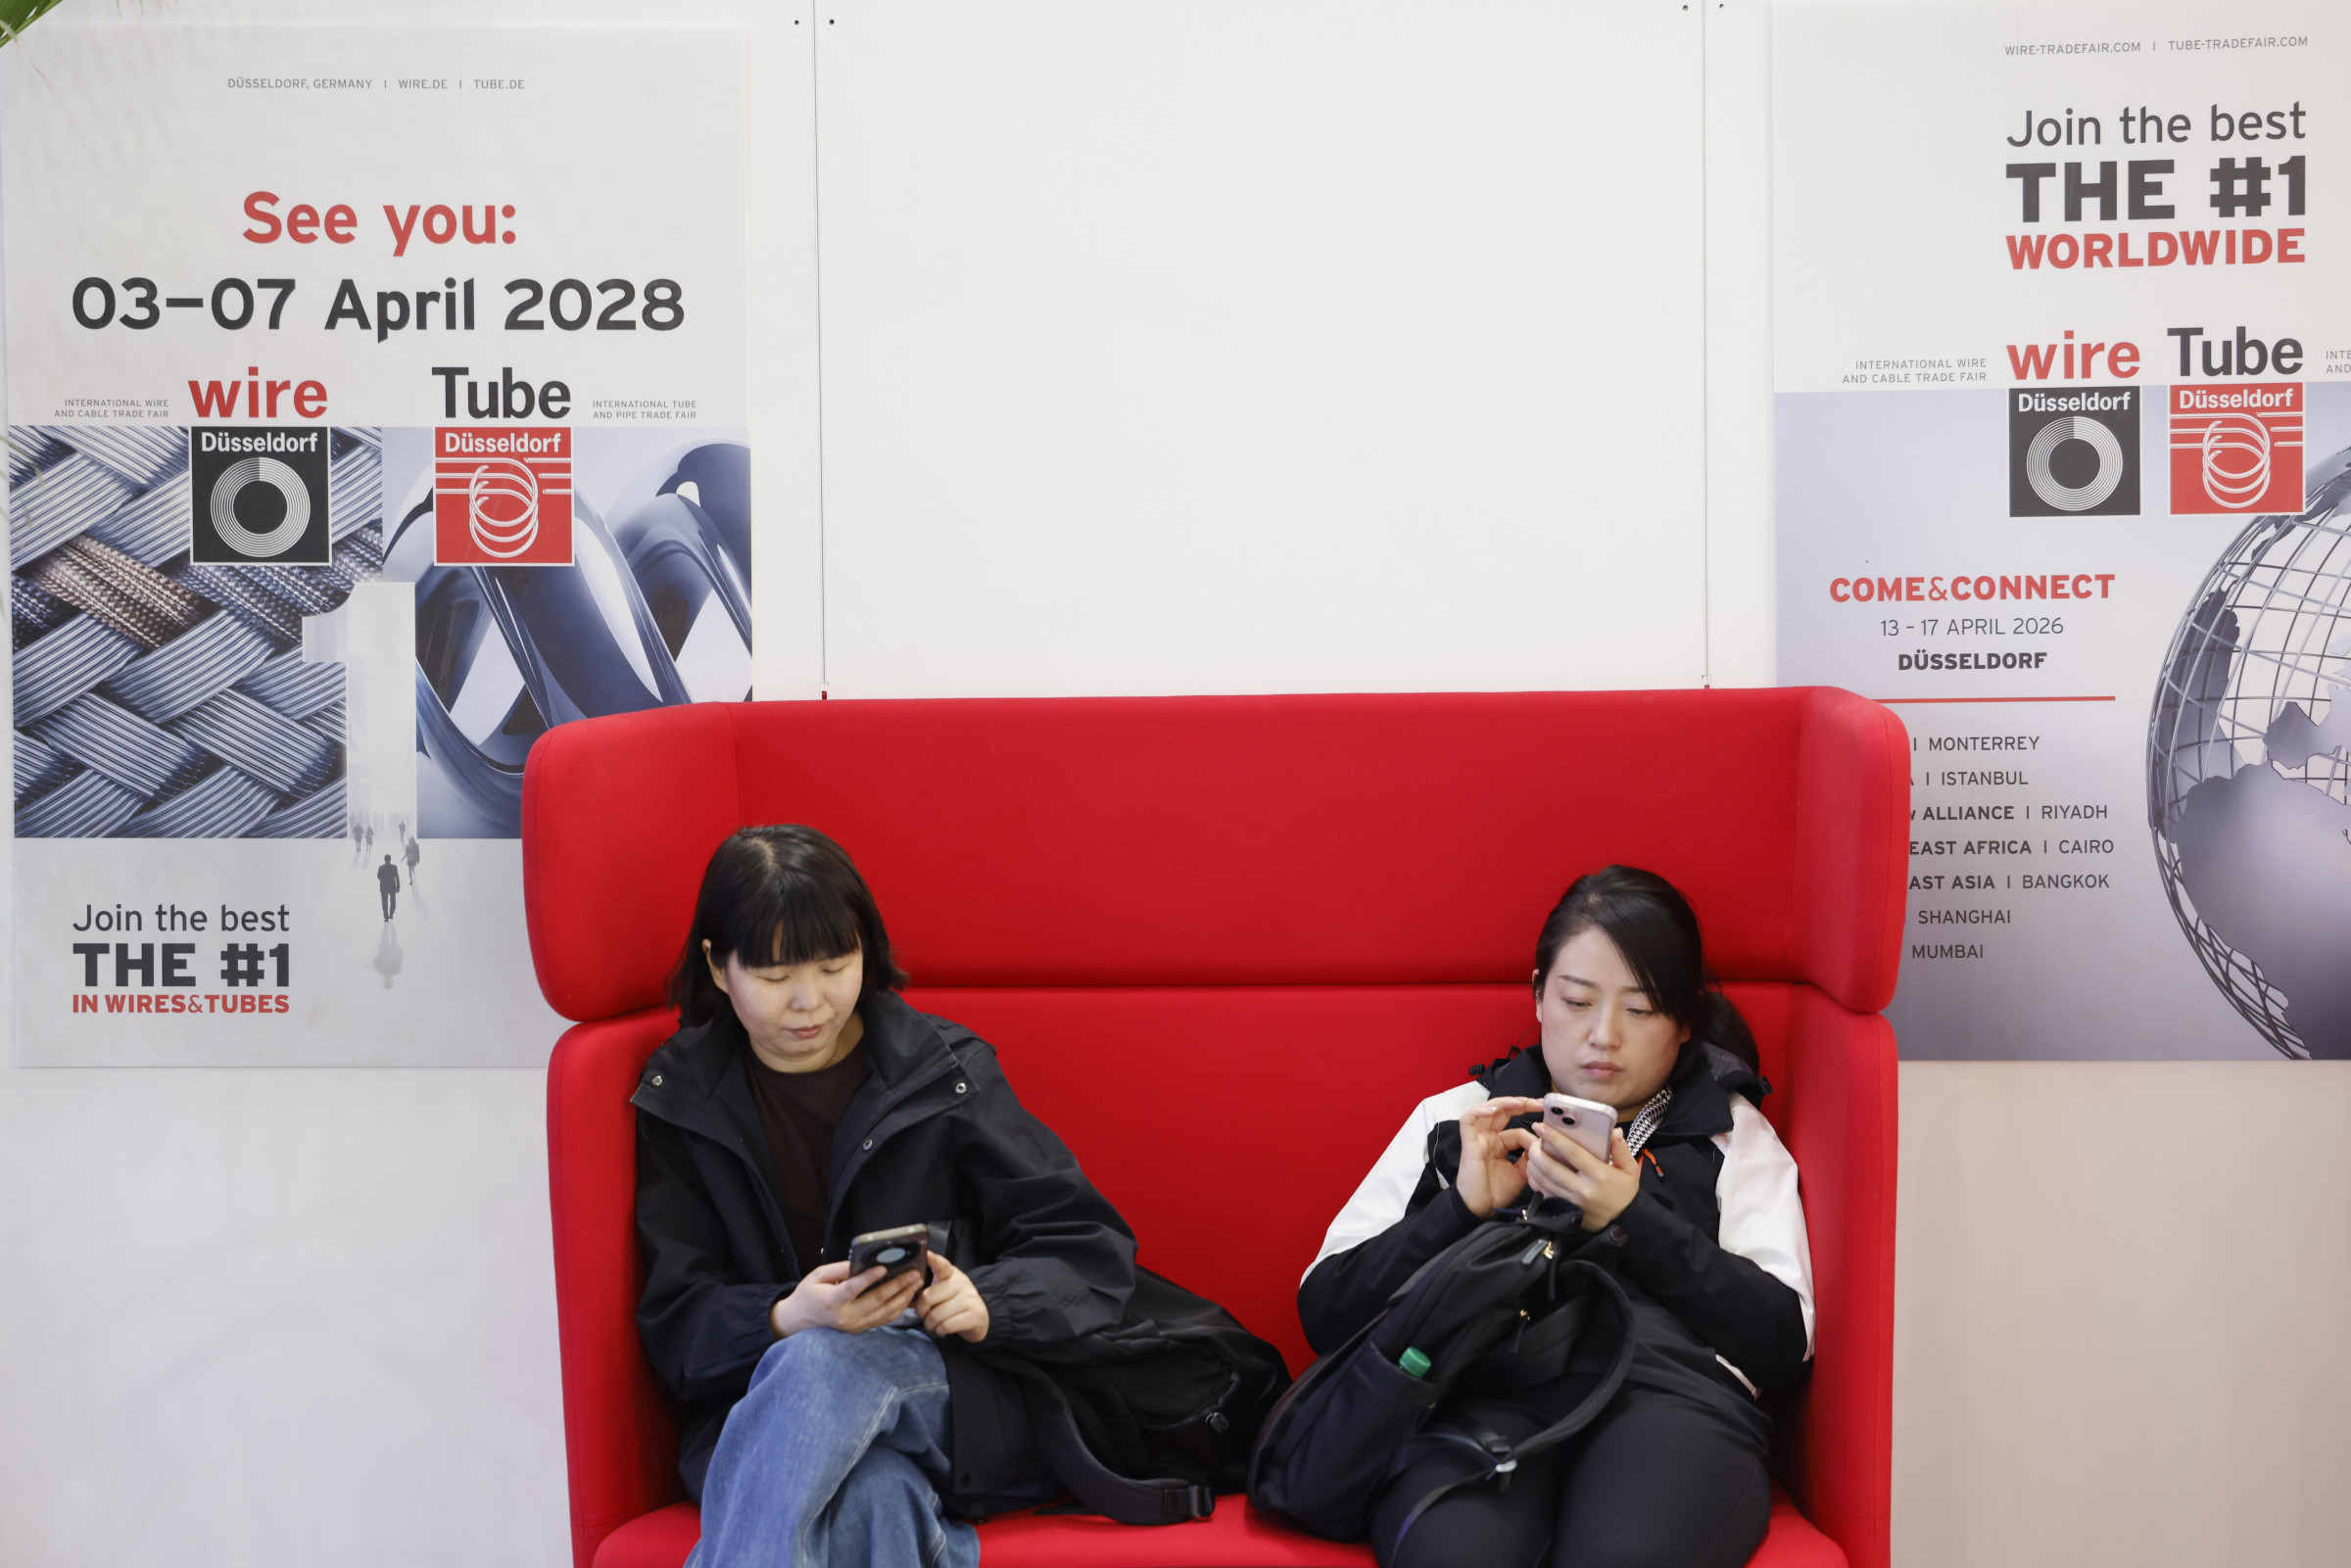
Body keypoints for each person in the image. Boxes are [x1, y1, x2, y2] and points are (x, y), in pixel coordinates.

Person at [634, 826, 1273, 1568]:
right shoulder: (682, 1099)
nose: (809, 1002)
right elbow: (676, 1324)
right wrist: (785, 1315)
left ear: (866, 952)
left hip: (953, 1389)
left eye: (835, 966)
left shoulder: (942, 1074)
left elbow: (1088, 1248)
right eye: (775, 977)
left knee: (822, 1366)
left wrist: (989, 1300)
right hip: (758, 1406)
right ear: (718, 967)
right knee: (873, 1494)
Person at [1299, 866, 1813, 1568]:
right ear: (1539, 994)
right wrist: (1460, 1210)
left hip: (1672, 1403)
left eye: (1641, 1010)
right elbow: (1326, 1311)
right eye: (1577, 1001)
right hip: (1477, 1396)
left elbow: (1782, 1340)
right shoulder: (1463, 1120)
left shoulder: (1729, 1131)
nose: (1603, 1037)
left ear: (1685, 1022)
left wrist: (1632, 1217)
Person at [375, 854, 399, 921]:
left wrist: (384, 879)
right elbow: (397, 877)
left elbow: (378, 876)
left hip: (384, 886)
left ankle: (386, 916)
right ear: (390, 859)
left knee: (384, 902)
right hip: (392, 886)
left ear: (384, 859)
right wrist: (398, 886)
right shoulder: (394, 867)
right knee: (393, 901)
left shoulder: (381, 867)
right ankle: (391, 913)